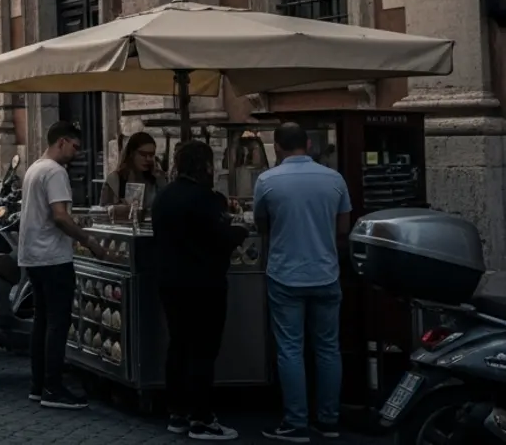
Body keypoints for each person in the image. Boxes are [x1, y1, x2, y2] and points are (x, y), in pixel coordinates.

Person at [254, 121, 352, 442]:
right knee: (328, 348)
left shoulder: (267, 181)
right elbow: (342, 229)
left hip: (285, 275)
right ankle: (328, 419)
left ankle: (296, 422)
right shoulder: (335, 179)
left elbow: (262, 225)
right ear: (308, 144)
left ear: (277, 147)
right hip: (326, 273)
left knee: (290, 349)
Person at [152, 140, 249, 441]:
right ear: (205, 165)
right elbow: (221, 236)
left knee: (179, 345)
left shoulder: (163, 197)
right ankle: (202, 417)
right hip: (203, 283)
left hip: (170, 282)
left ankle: (177, 412)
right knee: (203, 350)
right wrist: (240, 230)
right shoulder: (206, 199)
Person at [21, 121, 108, 411]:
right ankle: (53, 387)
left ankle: (38, 384)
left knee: (43, 323)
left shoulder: (34, 168)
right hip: (53, 257)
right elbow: (60, 215)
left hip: (33, 256)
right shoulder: (56, 172)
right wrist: (89, 241)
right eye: (75, 146)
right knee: (57, 324)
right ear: (61, 142)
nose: (77, 153)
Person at [99, 131, 168, 217]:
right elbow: (102, 211)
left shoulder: (158, 179)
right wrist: (115, 209)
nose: (148, 159)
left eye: (151, 155)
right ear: (132, 154)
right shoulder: (115, 180)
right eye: (143, 154)